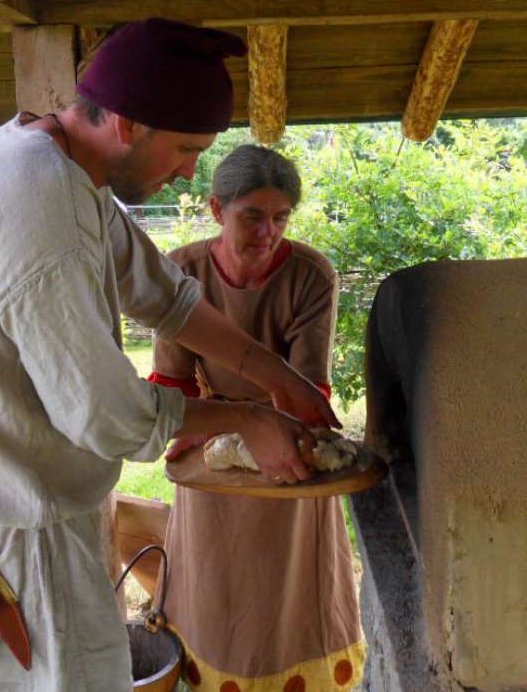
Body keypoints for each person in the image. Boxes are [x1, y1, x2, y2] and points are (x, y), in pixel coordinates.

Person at [0, 18, 338, 692]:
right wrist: (247, 419)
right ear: (129, 124)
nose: (192, 171)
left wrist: (278, 379)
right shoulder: (41, 203)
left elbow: (169, 299)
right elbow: (104, 414)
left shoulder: (52, 164)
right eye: (186, 148)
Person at [150, 144, 363, 692]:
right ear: (217, 210)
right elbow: (173, 382)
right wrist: (227, 433)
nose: (267, 231)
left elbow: (303, 385)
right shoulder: (182, 270)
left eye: (280, 217)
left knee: (289, 591)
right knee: (217, 592)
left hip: (290, 438)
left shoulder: (311, 274)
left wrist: (270, 437)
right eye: (252, 216)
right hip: (209, 444)